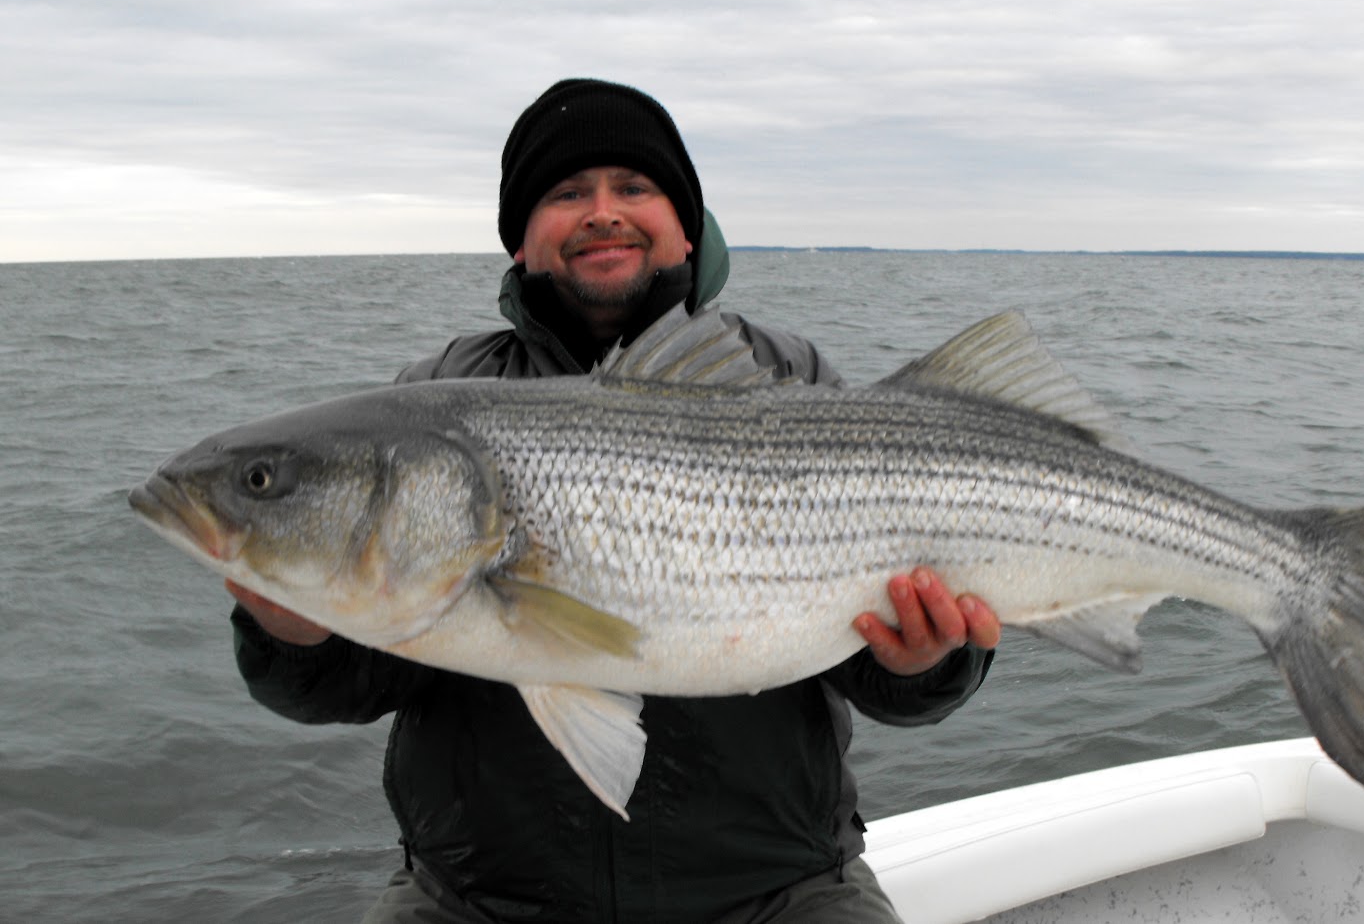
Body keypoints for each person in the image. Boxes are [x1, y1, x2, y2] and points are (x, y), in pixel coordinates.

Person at [227, 78, 1002, 923]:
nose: (603, 212)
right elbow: (351, 684)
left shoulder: (788, 378)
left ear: (686, 224)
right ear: (520, 240)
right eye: (566, 193)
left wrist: (925, 662)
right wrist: (294, 638)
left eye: (634, 187)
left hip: (783, 892)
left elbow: (883, 682)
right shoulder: (435, 399)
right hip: (475, 900)